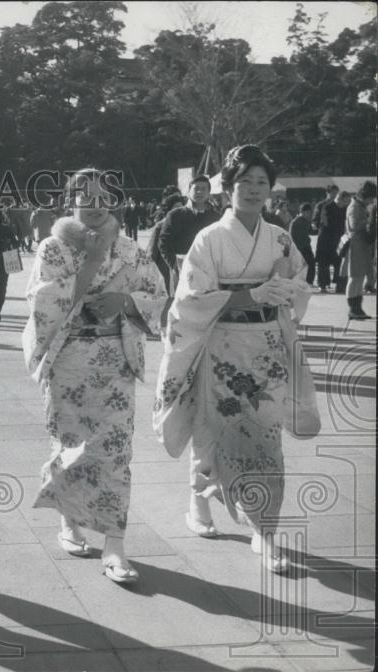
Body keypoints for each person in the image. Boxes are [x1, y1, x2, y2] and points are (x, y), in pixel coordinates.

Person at [153, 145, 318, 575]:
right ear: (228, 188)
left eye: (261, 182)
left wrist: (286, 290)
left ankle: (264, 532)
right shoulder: (209, 238)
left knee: (266, 438)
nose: (253, 190)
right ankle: (198, 502)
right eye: (244, 182)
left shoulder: (279, 235)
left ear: (270, 188)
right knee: (213, 429)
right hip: (222, 345)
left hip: (265, 348)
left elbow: (300, 279)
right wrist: (249, 294)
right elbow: (190, 300)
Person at [22, 168, 167, 584]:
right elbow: (41, 297)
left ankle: (115, 544)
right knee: (71, 445)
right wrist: (84, 286)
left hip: (115, 358)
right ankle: (69, 520)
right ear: (71, 200)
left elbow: (156, 293)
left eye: (105, 196)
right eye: (86, 196)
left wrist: (124, 299)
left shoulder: (129, 249)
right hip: (69, 357)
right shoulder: (52, 246)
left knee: (117, 451)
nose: (97, 204)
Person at [158, 175, 219, 294]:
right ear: (189, 191)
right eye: (196, 189)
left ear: (209, 193)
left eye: (204, 189)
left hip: (209, 272)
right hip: (182, 271)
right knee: (182, 306)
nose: (200, 192)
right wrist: (175, 266)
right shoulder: (175, 215)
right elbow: (163, 242)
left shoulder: (216, 217)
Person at [341, 181, 377, 319]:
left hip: (361, 246)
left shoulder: (360, 205)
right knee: (354, 277)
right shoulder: (354, 206)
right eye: (370, 197)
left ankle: (357, 307)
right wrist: (369, 221)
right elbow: (354, 225)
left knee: (359, 277)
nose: (371, 200)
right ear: (364, 195)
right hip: (356, 246)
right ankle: (352, 309)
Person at [316, 189, 350, 293]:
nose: (346, 204)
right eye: (345, 201)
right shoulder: (327, 207)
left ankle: (339, 286)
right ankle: (322, 285)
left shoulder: (344, 208)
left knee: (338, 263)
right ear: (339, 199)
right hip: (326, 240)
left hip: (337, 239)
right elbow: (327, 223)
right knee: (323, 263)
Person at [288, 203, 316, 287]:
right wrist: (294, 248)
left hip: (306, 246)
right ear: (303, 212)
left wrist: (319, 227)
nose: (309, 214)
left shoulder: (307, 221)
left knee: (310, 264)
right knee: (301, 266)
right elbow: (291, 235)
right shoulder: (296, 222)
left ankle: (309, 282)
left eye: (310, 212)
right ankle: (303, 282)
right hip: (299, 247)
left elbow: (311, 231)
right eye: (308, 212)